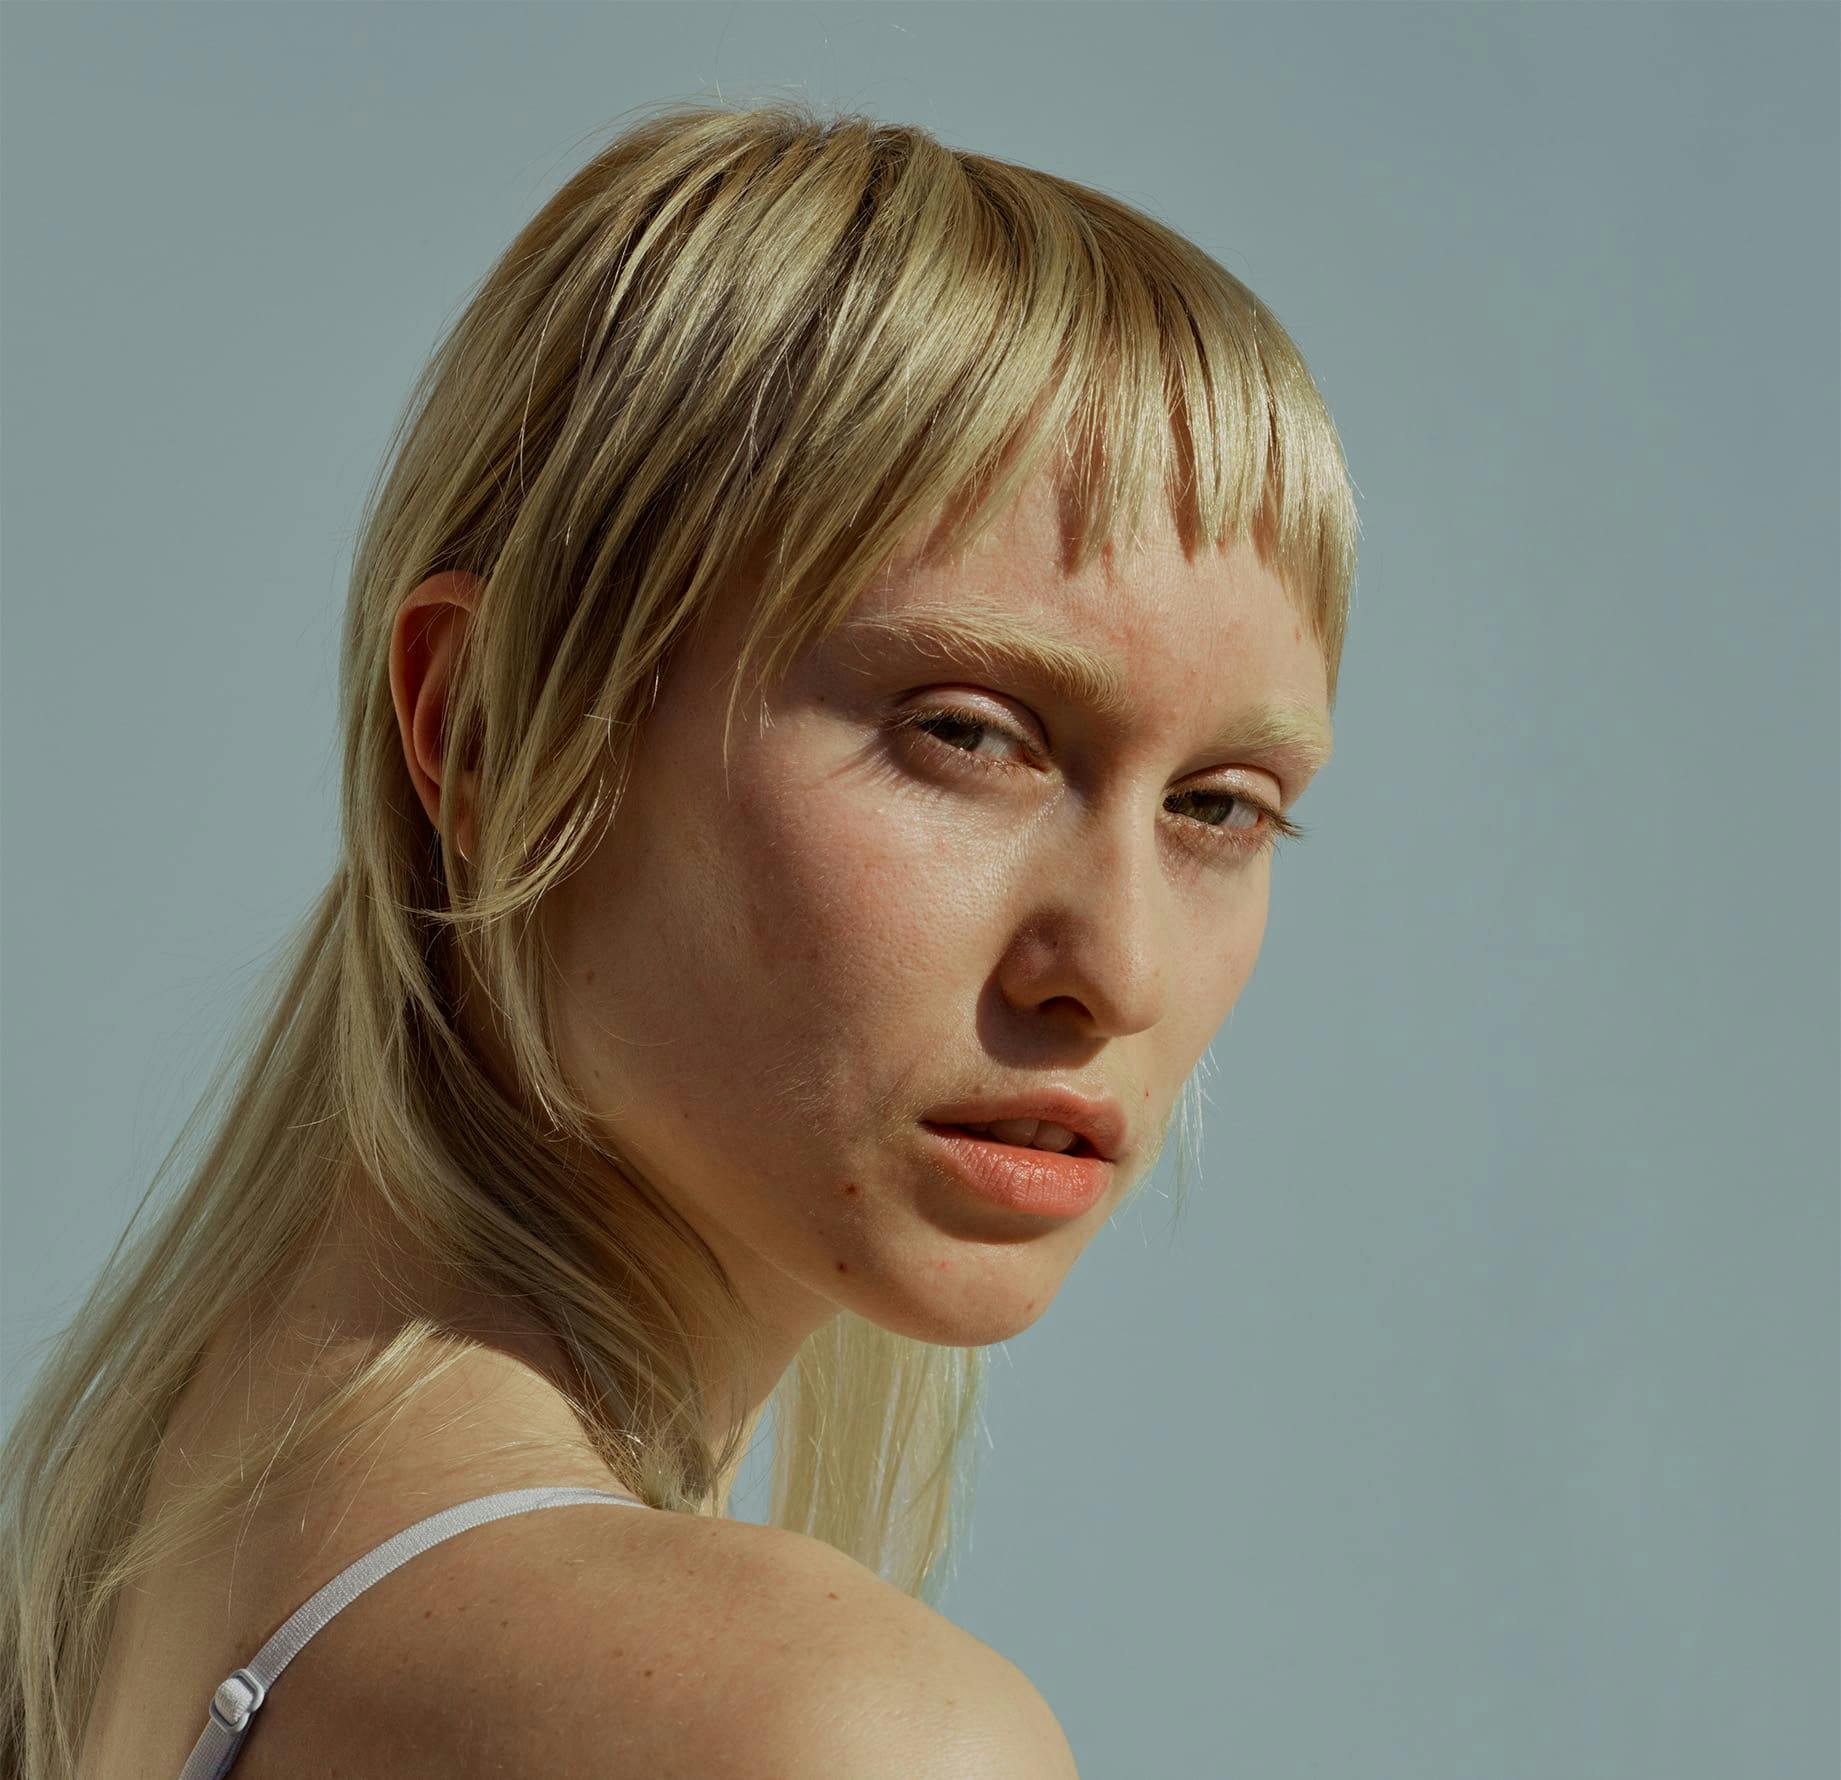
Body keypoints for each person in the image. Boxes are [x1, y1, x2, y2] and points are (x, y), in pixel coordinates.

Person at [0, 94, 1354, 1780]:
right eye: (967, 732)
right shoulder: (829, 1731)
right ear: (486, 730)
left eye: (1219, 806)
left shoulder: (111, 1600)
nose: (1115, 969)